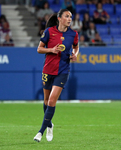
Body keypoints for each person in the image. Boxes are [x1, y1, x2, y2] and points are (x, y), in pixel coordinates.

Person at [33, 9, 79, 142]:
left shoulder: (73, 34)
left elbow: (76, 47)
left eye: (71, 16)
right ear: (59, 18)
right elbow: (39, 49)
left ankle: (40, 132)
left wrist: (75, 54)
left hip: (63, 71)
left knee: (52, 101)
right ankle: (49, 124)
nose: (70, 19)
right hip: (48, 70)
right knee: (46, 101)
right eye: (67, 16)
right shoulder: (49, 32)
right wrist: (51, 50)